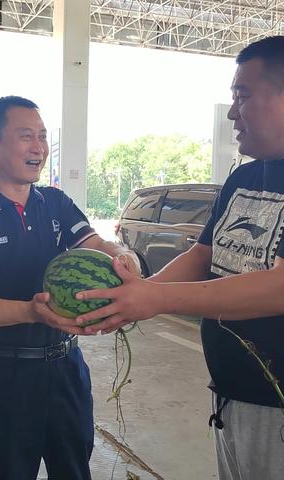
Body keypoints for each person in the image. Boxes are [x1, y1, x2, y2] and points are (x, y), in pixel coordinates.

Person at [75, 36, 284, 479]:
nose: (232, 113)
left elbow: (280, 287)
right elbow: (203, 254)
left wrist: (157, 300)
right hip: (232, 395)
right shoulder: (243, 177)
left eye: (242, 97)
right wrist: (139, 295)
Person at [0, 95, 140, 480]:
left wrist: (123, 254)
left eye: (43, 136)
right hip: (3, 375)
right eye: (25, 136)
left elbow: (97, 246)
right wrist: (30, 311)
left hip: (66, 369)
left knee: (74, 470)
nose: (38, 147)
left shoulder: (55, 203)